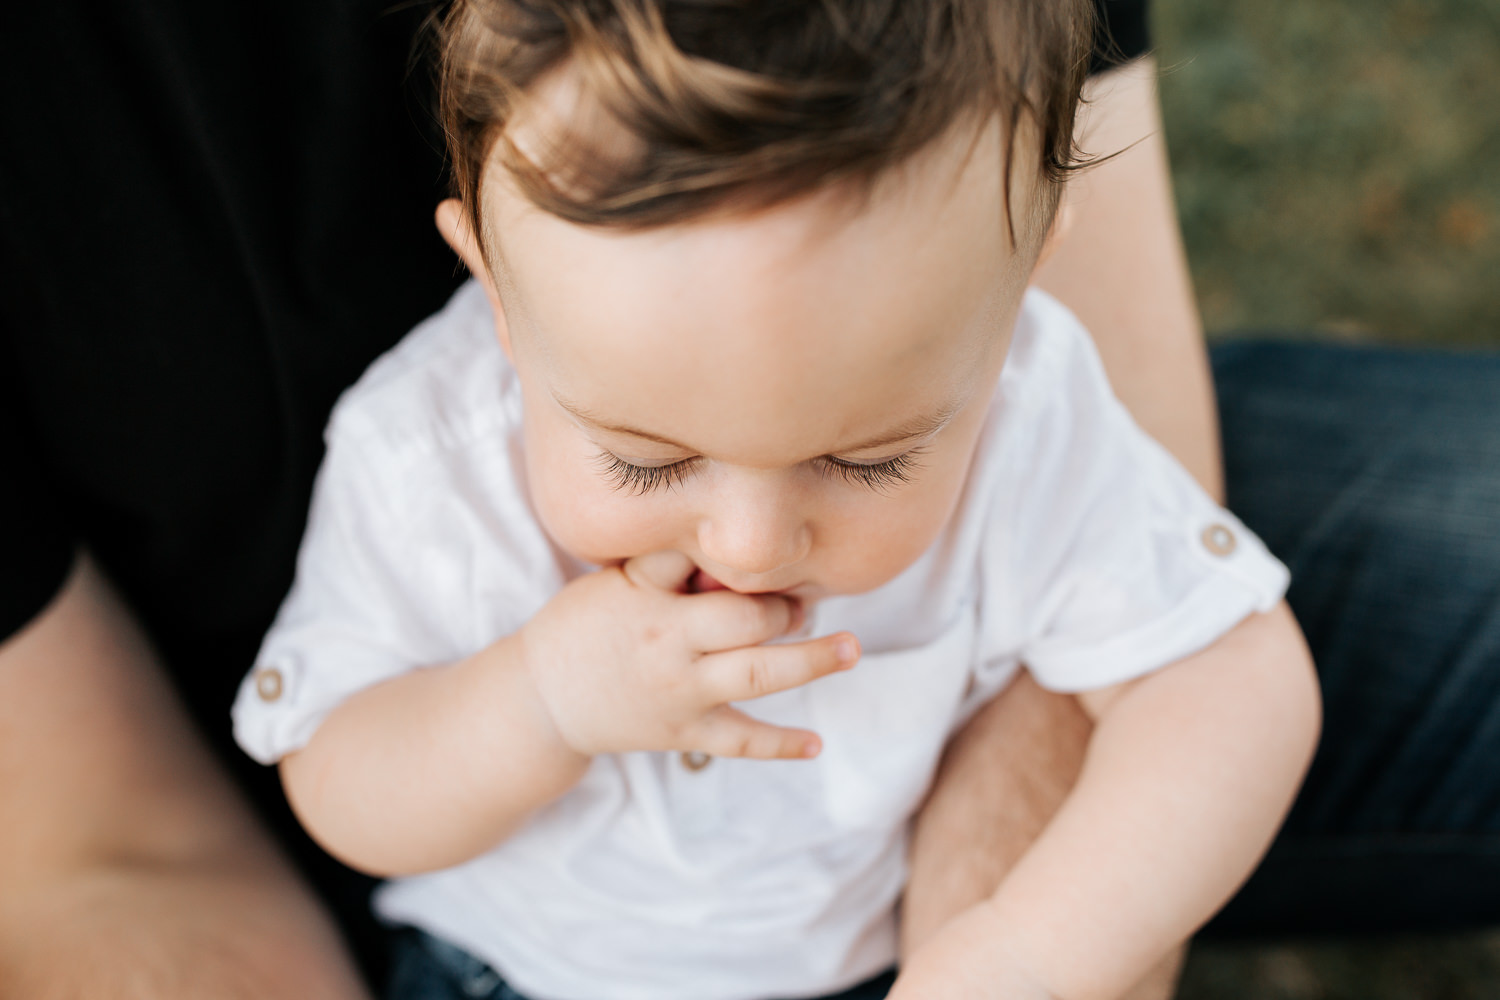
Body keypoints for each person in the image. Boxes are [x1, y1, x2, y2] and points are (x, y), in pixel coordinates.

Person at [1, 0, 1495, 997]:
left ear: (1022, 273)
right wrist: (535, 701)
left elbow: (1237, 689)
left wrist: (1025, 954)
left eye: (870, 456)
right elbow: (343, 790)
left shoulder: (1032, 403)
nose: (751, 540)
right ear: (500, 298)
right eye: (649, 460)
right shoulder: (423, 452)